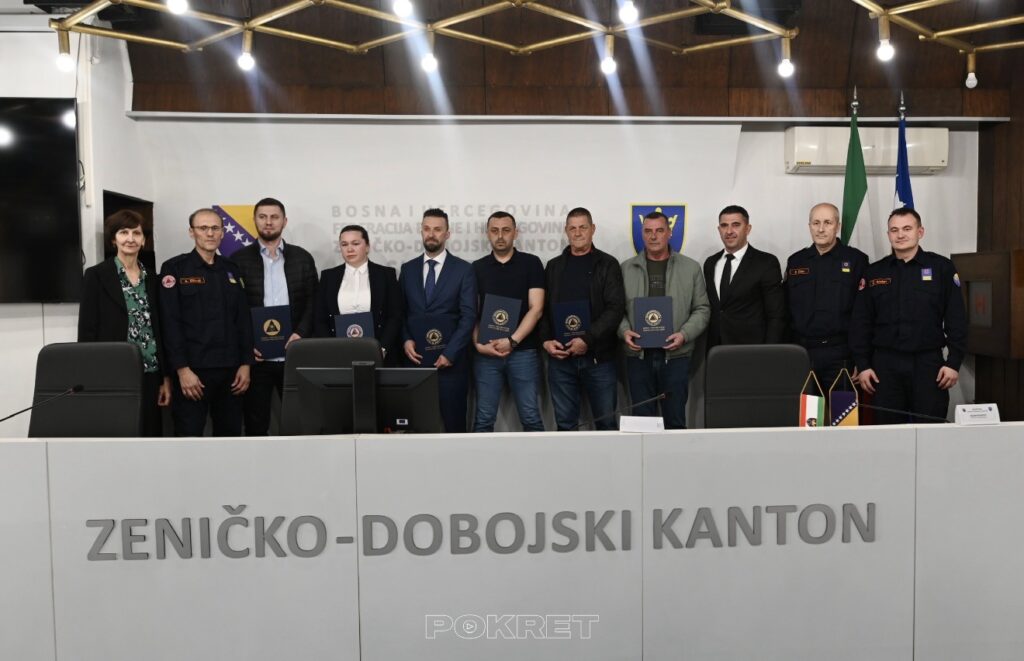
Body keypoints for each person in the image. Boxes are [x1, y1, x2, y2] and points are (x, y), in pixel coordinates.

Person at [850, 207, 967, 423]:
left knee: (930, 428)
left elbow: (957, 319)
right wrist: (863, 364)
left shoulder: (942, 268)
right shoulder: (874, 272)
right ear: (888, 234)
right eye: (894, 230)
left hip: (928, 364)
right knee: (889, 432)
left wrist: (953, 362)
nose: (900, 235)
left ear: (920, 232)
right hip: (885, 366)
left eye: (907, 228)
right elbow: (861, 322)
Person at [159, 208, 254, 436]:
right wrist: (182, 370)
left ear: (222, 233)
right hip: (193, 372)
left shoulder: (232, 269)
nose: (209, 233)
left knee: (230, 436)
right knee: (189, 436)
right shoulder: (174, 269)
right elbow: (169, 322)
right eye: (203, 228)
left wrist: (246, 364)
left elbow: (243, 320)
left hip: (231, 372)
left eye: (215, 228)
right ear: (191, 232)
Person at [78, 210, 171, 436]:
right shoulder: (96, 275)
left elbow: (161, 330)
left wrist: (165, 378)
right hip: (112, 371)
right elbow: (87, 329)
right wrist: (89, 378)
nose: (130, 238)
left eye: (136, 233)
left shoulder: (153, 278)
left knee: (150, 434)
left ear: (144, 240)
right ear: (113, 239)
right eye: (123, 232)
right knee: (117, 434)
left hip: (150, 371)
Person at [232, 197, 318, 435]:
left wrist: (301, 333)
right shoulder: (237, 260)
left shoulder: (302, 257)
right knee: (255, 424)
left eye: (274, 217)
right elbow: (233, 309)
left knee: (300, 423)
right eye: (262, 217)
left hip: (294, 355)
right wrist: (247, 345)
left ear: (284, 221)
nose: (268, 222)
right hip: (256, 359)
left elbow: (313, 301)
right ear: (254, 220)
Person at [619, 210, 710, 429]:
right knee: (642, 424)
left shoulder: (691, 268)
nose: (653, 236)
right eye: (648, 231)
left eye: (659, 230)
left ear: (669, 233)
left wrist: (684, 335)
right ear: (642, 234)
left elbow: (702, 309)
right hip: (638, 357)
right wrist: (624, 331)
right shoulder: (625, 269)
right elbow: (616, 310)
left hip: (676, 357)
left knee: (675, 421)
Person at [540, 207, 625, 431]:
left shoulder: (608, 264)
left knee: (606, 424)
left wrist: (587, 339)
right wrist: (546, 340)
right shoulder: (553, 266)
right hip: (561, 359)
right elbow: (544, 309)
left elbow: (615, 309)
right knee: (565, 426)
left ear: (592, 229)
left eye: (583, 227)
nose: (577, 233)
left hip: (599, 359)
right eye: (573, 228)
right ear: (566, 231)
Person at [398, 209, 477, 433]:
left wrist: (450, 353)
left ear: (447, 234)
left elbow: (468, 316)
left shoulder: (464, 269)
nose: (431, 234)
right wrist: (405, 340)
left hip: (451, 365)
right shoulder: (407, 269)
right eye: (426, 229)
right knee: (416, 430)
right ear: (421, 231)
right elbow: (400, 312)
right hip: (415, 363)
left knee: (454, 428)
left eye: (437, 229)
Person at [472, 211, 546, 433]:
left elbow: (537, 308)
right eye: (494, 231)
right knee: (483, 420)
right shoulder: (477, 268)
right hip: (486, 353)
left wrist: (512, 341)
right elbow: (471, 312)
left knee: (531, 417)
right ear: (488, 234)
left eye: (506, 230)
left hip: (523, 352)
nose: (500, 236)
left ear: (516, 233)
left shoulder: (531, 263)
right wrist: (478, 344)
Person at [785, 202, 869, 390]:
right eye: (816, 223)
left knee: (843, 409)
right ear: (809, 226)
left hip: (842, 355)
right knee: (810, 409)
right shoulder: (796, 261)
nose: (821, 229)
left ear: (838, 226)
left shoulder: (856, 260)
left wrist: (861, 358)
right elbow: (787, 310)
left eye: (827, 223)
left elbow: (864, 314)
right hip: (804, 354)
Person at [314, 224, 402, 364]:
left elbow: (394, 316)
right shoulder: (328, 277)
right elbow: (320, 318)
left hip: (379, 354)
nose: (349, 249)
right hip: (338, 354)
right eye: (344, 244)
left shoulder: (386, 275)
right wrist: (331, 349)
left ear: (367, 247)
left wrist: (382, 349)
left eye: (355, 243)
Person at [703, 204, 786, 347]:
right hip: (716, 348)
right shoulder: (710, 263)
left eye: (736, 225)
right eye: (724, 225)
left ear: (748, 228)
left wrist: (770, 351)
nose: (729, 231)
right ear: (719, 229)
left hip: (752, 349)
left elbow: (776, 314)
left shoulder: (766, 262)